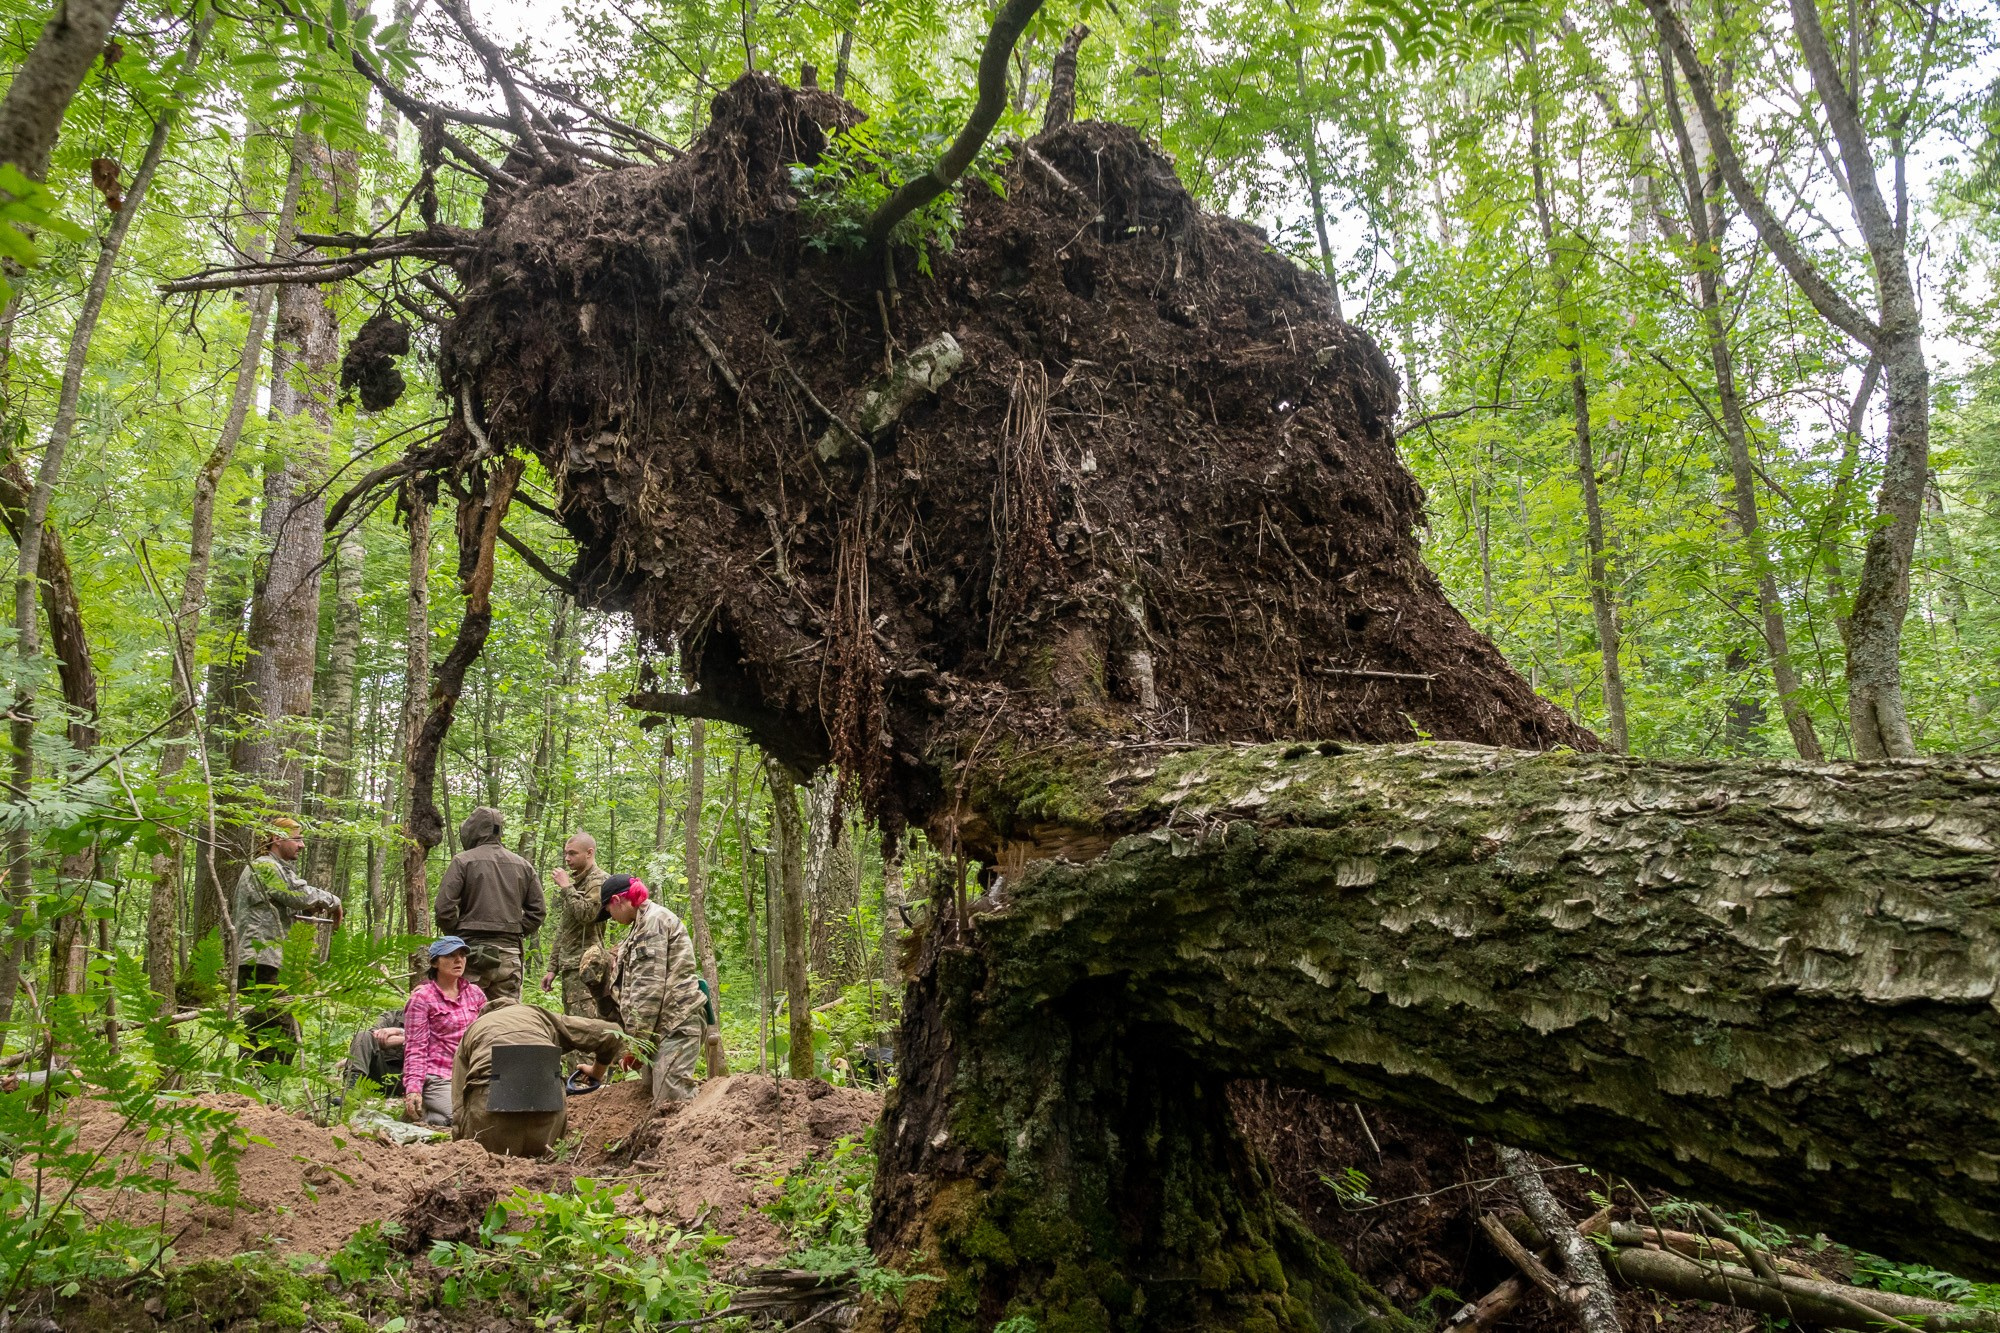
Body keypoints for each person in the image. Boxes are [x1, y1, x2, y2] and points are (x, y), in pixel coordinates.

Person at [579, 875, 704, 1107]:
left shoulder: (652, 924)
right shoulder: (640, 924)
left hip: (676, 1022)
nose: (612, 918)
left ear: (617, 900)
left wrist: (636, 1047)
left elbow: (648, 991)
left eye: (609, 911)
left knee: (671, 1099)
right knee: (648, 1094)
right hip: (659, 1027)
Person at [451, 996, 625, 1157]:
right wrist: (596, 1072)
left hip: (489, 1106)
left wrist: (459, 1147)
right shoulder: (538, 1015)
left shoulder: (473, 1030)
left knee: (488, 1171)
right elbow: (612, 1033)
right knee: (542, 1174)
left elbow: (459, 1102)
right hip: (547, 1103)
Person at [232, 816, 341, 1064]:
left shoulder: (271, 869)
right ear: (277, 839)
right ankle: (264, 1087)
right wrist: (334, 902)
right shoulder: (265, 867)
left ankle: (245, 1090)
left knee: (259, 1030)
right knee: (282, 1030)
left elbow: (283, 903)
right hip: (261, 962)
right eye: (298, 838)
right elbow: (298, 894)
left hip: (266, 961)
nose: (302, 845)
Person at [434, 806, 544, 1002]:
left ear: (472, 830)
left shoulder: (463, 861)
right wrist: (513, 931)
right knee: (507, 1021)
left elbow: (444, 909)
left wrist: (458, 935)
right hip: (508, 955)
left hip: (471, 952)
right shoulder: (523, 865)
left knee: (467, 1019)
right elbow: (537, 912)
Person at [403, 937, 486, 1126]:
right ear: (434, 962)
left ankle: (433, 1118)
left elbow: (487, 1035)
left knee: (491, 1113)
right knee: (466, 1119)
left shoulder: (475, 994)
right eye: (450, 955)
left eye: (462, 955)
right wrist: (413, 1089)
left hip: (473, 1074)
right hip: (439, 1076)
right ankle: (432, 1109)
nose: (458, 960)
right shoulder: (422, 998)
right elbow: (415, 1047)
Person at [540, 832, 608, 1021]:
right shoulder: (576, 881)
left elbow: (588, 915)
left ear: (589, 853)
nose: (567, 858)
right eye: (566, 853)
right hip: (570, 966)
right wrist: (553, 967)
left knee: (585, 1027)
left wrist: (567, 887)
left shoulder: (599, 881)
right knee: (572, 1026)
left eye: (572, 853)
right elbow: (565, 928)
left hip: (587, 966)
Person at [343, 1008, 408, 1095]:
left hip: (411, 1078)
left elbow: (430, 1042)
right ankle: (351, 1090)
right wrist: (412, 1039)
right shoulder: (391, 1017)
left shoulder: (431, 1018)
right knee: (363, 1036)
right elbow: (374, 1037)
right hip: (381, 1072)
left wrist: (400, 1032)